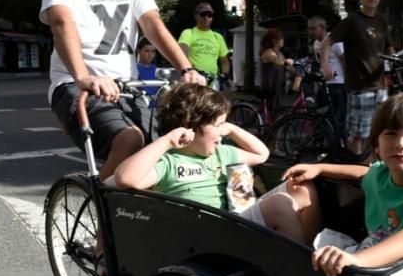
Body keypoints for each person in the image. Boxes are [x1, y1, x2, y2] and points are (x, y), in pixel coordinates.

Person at [41, 0, 202, 181]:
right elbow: (61, 22)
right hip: (75, 86)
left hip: (127, 86)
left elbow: (152, 23)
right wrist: (83, 77)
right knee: (130, 140)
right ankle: (104, 218)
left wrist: (186, 68)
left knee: (167, 146)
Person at [281, 92, 403, 276]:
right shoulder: (381, 174)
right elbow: (363, 173)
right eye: (391, 134)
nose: (401, 143)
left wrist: (358, 260)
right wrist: (320, 168)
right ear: (376, 144)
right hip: (372, 264)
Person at [114, 83, 321, 244]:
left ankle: (306, 254)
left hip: (233, 222)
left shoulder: (221, 153)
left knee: (301, 188)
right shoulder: (169, 161)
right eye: (218, 125)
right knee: (280, 204)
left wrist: (231, 128)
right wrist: (167, 140)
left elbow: (262, 154)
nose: (222, 132)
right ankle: (300, 274)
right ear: (191, 127)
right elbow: (125, 178)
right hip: (208, 234)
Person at [320, 0, 395, 153]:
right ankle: (354, 176)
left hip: (381, 88)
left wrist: (394, 60)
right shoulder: (352, 21)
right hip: (360, 88)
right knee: (358, 136)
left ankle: (370, 172)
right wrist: (325, 66)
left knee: (378, 135)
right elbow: (327, 43)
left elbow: (389, 47)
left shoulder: (382, 21)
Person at [308, 16, 346, 133]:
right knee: (320, 116)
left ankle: (339, 144)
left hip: (337, 84)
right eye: (309, 29)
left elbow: (344, 61)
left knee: (338, 118)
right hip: (324, 85)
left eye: (313, 28)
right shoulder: (315, 44)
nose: (311, 32)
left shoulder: (335, 43)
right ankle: (321, 142)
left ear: (322, 27)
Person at [178, 2, 229, 88]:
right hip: (194, 79)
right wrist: (191, 69)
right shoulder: (188, 33)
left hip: (213, 81)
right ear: (196, 16)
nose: (206, 17)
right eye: (203, 14)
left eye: (209, 15)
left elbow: (224, 61)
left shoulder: (218, 37)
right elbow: (182, 52)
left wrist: (224, 75)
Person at [259, 28, 297, 117]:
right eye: (281, 38)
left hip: (277, 89)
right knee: (272, 115)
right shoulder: (268, 52)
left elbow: (287, 67)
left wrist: (298, 73)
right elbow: (276, 60)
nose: (283, 40)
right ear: (274, 40)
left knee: (277, 114)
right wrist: (286, 62)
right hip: (269, 89)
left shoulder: (279, 53)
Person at [135, 38, 159, 106]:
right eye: (147, 51)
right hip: (141, 104)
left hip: (156, 106)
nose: (150, 54)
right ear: (138, 51)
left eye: (153, 51)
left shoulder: (157, 69)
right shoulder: (134, 68)